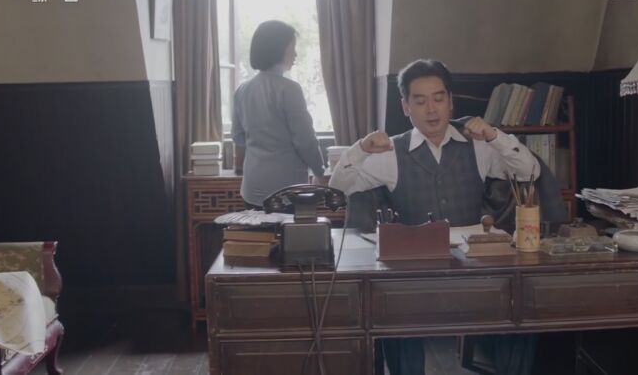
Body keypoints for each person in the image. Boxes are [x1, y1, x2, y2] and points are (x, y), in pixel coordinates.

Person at [329, 58, 540, 375]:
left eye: (439, 99)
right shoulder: (391, 153)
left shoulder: (478, 146)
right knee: (391, 309)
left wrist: (494, 135)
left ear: (450, 102)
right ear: (406, 107)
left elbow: (529, 172)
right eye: (420, 101)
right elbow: (337, 189)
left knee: (521, 305)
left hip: (475, 268)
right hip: (415, 274)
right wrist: (361, 148)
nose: (431, 110)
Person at [231, 20, 325, 209]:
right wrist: (319, 170)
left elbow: (238, 137)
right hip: (287, 188)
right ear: (278, 49)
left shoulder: (242, 90)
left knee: (256, 229)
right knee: (289, 230)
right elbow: (305, 140)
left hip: (252, 186)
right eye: (292, 48)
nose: (295, 54)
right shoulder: (290, 90)